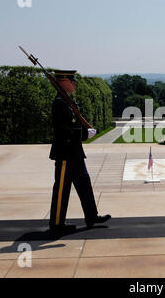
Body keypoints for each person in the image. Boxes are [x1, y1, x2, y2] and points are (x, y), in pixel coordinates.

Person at [48, 69, 111, 233]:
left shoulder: (67, 101)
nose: (74, 83)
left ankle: (91, 216)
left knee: (84, 184)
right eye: (72, 80)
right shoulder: (59, 104)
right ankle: (56, 224)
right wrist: (83, 133)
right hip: (64, 154)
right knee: (62, 189)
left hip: (75, 153)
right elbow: (62, 130)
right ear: (62, 82)